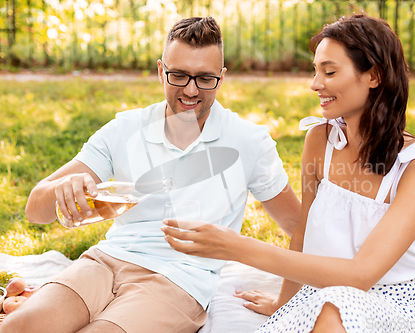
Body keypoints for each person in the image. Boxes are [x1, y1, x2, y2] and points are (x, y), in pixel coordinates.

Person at [1, 17, 300, 333]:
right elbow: (35, 209)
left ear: (222, 78)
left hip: (178, 279)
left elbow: (298, 224)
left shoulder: (248, 141)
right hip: (105, 261)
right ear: (161, 71)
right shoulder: (124, 129)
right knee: (19, 327)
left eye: (205, 78)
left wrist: (286, 298)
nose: (191, 90)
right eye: (179, 75)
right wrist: (63, 188)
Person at [162, 13, 415, 333]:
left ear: (374, 76)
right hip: (320, 291)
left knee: (334, 310)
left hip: (392, 303)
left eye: (329, 71)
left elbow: (361, 275)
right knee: (329, 307)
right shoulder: (320, 140)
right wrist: (284, 301)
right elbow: (303, 232)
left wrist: (235, 247)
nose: (315, 84)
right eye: (316, 71)